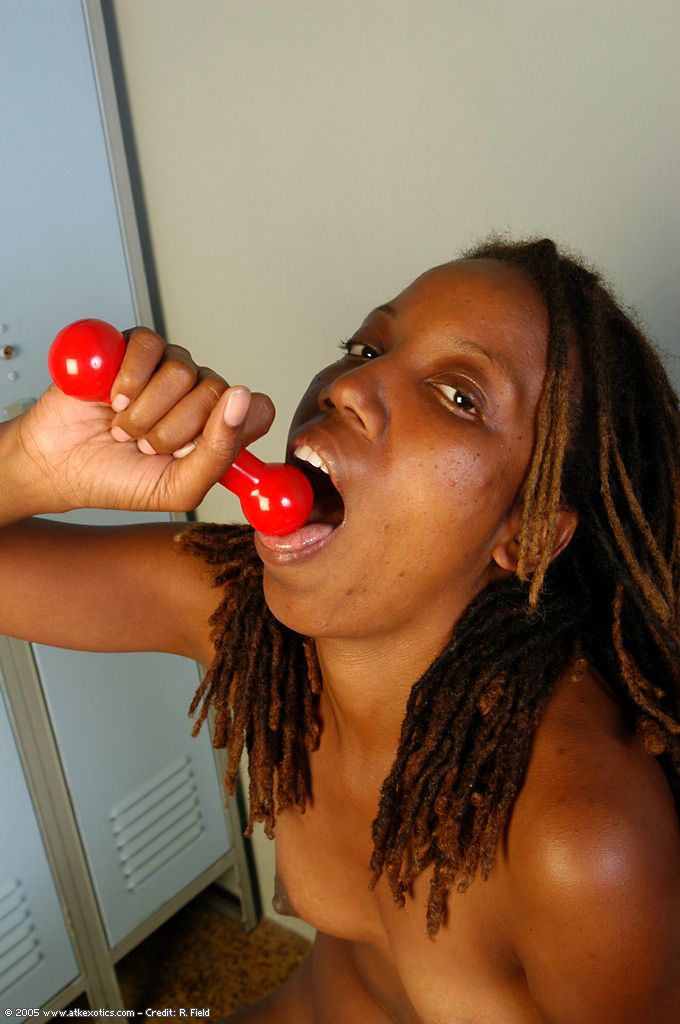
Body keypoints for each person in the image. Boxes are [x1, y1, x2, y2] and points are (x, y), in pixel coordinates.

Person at [1, 237, 679, 1023]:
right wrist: (31, 463)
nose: (349, 385)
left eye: (458, 396)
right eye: (366, 348)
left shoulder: (583, 841)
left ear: (526, 538)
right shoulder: (244, 617)